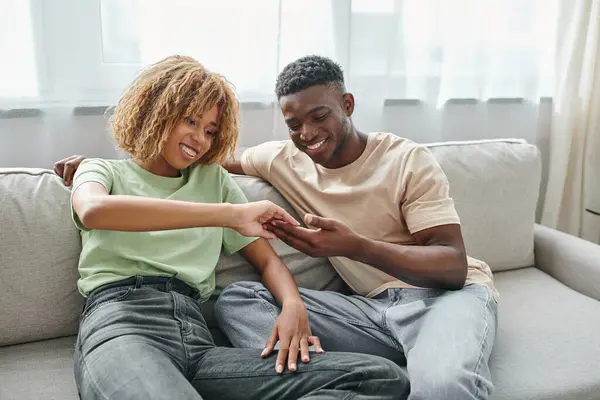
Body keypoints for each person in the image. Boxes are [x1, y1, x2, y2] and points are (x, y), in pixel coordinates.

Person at [59, 55, 407, 400]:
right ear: (157, 110)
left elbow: (268, 261)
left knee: (380, 377)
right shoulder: (101, 170)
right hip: (123, 324)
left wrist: (293, 306)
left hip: (196, 340)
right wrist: (225, 215)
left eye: (210, 131)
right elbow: (94, 211)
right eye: (190, 121)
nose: (199, 139)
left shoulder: (214, 180)